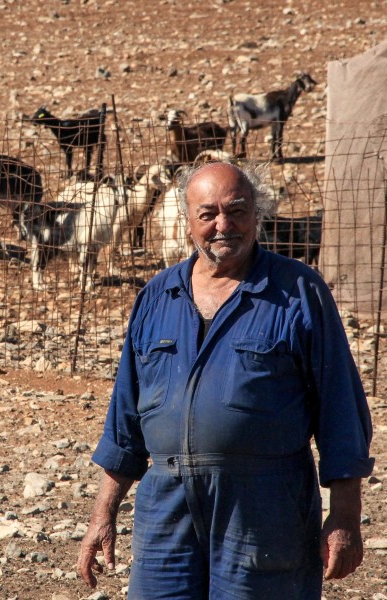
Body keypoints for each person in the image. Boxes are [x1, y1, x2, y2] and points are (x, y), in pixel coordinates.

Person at [77, 161, 374, 598]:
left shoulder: (297, 292)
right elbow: (125, 420)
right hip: (166, 510)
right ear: (187, 221)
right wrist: (102, 514)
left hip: (263, 509)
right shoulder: (158, 296)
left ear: (258, 213)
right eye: (208, 214)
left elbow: (341, 412)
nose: (223, 225)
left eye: (237, 211)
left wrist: (345, 515)